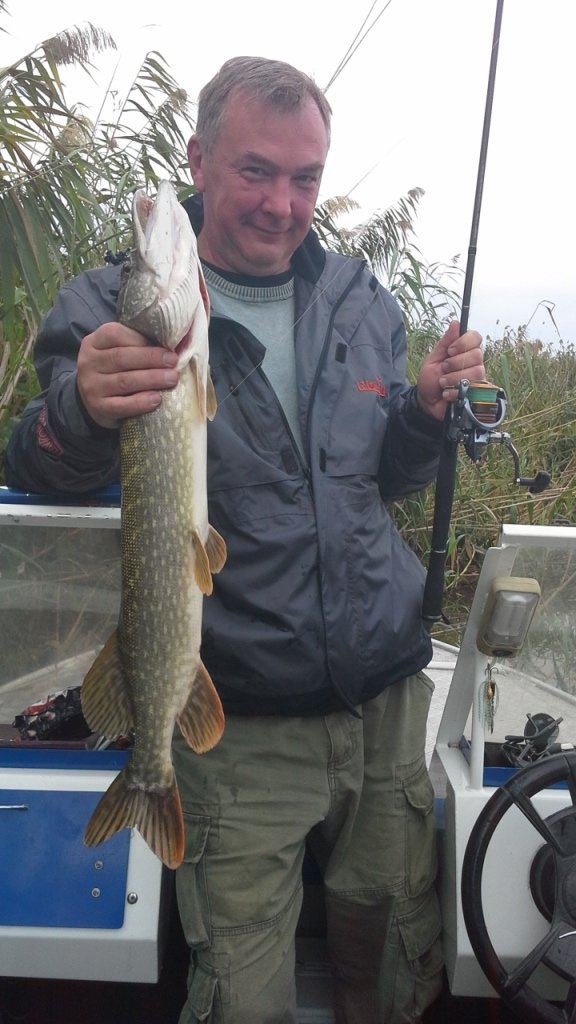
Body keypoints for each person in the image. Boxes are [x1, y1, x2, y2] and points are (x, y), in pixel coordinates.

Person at [4, 57, 485, 1024]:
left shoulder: (360, 297)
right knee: (244, 991)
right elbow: (39, 460)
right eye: (256, 171)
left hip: (385, 706)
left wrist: (425, 417)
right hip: (238, 723)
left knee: (394, 961)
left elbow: (380, 477)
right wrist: (80, 408)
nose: (282, 204)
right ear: (200, 160)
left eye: (305, 178)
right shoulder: (113, 305)